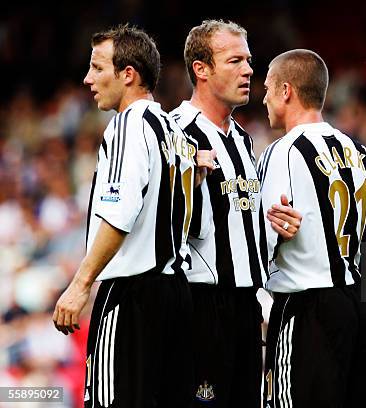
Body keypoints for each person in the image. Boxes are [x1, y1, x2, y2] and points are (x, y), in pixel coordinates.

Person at [52, 24, 214, 407]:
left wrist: (80, 285)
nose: (88, 78)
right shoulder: (175, 134)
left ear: (128, 75)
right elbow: (196, 224)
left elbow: (119, 214)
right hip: (176, 295)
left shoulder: (129, 124)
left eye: (97, 67)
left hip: (132, 297)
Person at [259, 49, 366, 408]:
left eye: (268, 88)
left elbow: (260, 239)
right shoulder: (360, 151)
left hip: (306, 306)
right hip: (357, 304)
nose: (262, 97)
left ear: (286, 91)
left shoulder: (283, 152)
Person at [170, 19, 302, 407]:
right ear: (201, 69)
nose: (248, 70)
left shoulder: (243, 139)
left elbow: (234, 219)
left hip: (246, 307)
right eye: (234, 61)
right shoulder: (174, 132)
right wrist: (184, 182)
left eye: (249, 60)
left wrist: (276, 225)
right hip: (200, 305)